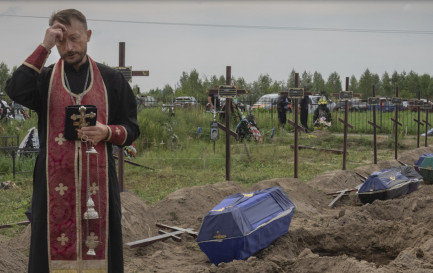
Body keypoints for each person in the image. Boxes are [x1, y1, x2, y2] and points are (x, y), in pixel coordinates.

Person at [6, 9, 139, 273]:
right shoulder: (43, 80)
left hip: (99, 185)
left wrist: (107, 132)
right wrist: (43, 46)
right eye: (60, 41)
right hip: (52, 185)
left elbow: (132, 128)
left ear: (88, 36)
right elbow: (16, 89)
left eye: (75, 39)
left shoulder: (111, 79)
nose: (69, 47)